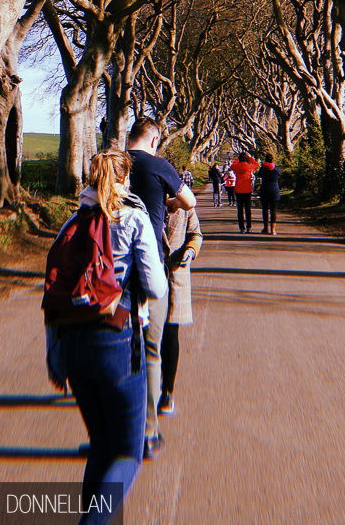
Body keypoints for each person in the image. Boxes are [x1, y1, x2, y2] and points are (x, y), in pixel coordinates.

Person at [45, 148, 166, 525]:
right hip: (117, 342)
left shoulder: (71, 222)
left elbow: (53, 290)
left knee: (100, 442)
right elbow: (156, 288)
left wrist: (54, 355)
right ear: (125, 179)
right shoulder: (133, 219)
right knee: (128, 453)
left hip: (71, 343)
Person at [127, 118, 195, 459]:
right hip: (148, 263)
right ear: (153, 139)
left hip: (109, 266)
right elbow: (190, 201)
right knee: (151, 351)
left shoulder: (108, 162)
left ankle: (110, 433)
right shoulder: (158, 165)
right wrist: (171, 203)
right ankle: (148, 433)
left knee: (117, 350)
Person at [158, 201, 202, 418]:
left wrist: (190, 251)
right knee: (148, 334)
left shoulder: (186, 206)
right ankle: (148, 384)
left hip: (176, 275)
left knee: (170, 332)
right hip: (150, 275)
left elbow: (196, 234)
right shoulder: (146, 200)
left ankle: (167, 391)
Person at [229, 151, 259, 234]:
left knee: (240, 209)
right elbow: (256, 165)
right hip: (247, 189)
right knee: (248, 209)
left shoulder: (236, 166)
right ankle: (249, 226)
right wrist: (250, 157)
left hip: (238, 189)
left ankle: (242, 227)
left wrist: (236, 159)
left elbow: (232, 166)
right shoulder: (249, 166)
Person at [257, 153, 281, 235]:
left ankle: (266, 228)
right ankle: (273, 230)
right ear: (272, 160)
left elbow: (259, 175)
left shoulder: (262, 169)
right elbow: (279, 175)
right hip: (274, 191)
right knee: (273, 210)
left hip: (265, 190)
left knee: (265, 210)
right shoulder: (276, 169)